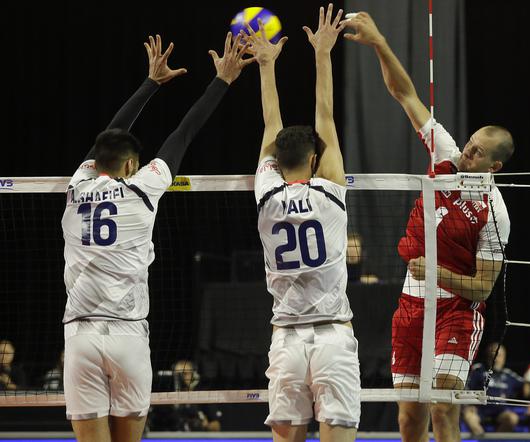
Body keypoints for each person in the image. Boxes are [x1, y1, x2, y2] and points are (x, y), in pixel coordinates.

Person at [61, 34, 253, 442]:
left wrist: (150, 83)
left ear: (96, 162)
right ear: (133, 163)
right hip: (128, 334)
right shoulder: (142, 188)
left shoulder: (77, 188)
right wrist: (222, 80)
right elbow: (183, 133)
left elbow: (110, 136)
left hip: (80, 334)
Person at [344, 12, 513, 442]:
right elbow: (405, 94)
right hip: (411, 305)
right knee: (408, 418)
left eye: (475, 153)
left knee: (442, 408)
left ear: (492, 166)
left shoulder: (494, 212)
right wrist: (380, 42)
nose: (464, 154)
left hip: (456, 313)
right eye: (468, 144)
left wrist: (436, 271)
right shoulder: (445, 159)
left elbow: (482, 289)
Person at [249, 5, 361, 442]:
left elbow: (269, 123)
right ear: (314, 160)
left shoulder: (266, 194)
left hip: (287, 340)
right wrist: (322, 54)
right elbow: (326, 117)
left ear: (275, 161)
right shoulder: (330, 191)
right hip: (333, 335)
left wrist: (265, 64)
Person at [463, 343, 523, 435]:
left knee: (512, 418)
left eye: (499, 355)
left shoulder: (509, 375)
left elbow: (525, 385)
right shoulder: (478, 369)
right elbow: (466, 388)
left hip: (500, 411)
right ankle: (480, 438)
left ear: (504, 358)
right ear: (487, 356)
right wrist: (468, 405)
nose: (495, 358)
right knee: (469, 416)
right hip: (480, 409)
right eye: (492, 355)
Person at [148, 360, 222, 431]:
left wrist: (203, 425)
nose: (181, 378)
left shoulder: (203, 395)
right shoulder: (164, 398)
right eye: (177, 375)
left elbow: (217, 426)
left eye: (185, 373)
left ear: (193, 375)